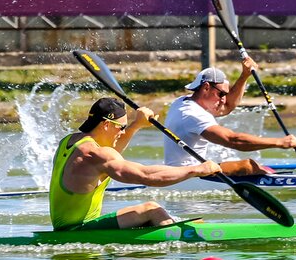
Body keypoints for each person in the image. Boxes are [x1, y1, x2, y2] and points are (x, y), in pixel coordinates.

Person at [49, 97, 220, 231]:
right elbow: (147, 176)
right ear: (106, 124)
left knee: (150, 214)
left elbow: (110, 151)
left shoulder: (70, 141)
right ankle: (180, 242)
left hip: (67, 226)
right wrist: (196, 169)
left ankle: (169, 226)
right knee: (152, 209)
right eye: (121, 127)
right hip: (79, 230)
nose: (122, 132)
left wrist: (136, 125)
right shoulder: (96, 154)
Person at [163, 58, 296, 175]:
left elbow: (227, 106)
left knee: (253, 167)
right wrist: (279, 142)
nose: (224, 100)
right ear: (206, 88)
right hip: (187, 175)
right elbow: (232, 140)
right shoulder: (193, 114)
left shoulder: (183, 101)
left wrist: (245, 75)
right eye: (221, 94)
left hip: (186, 171)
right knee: (248, 166)